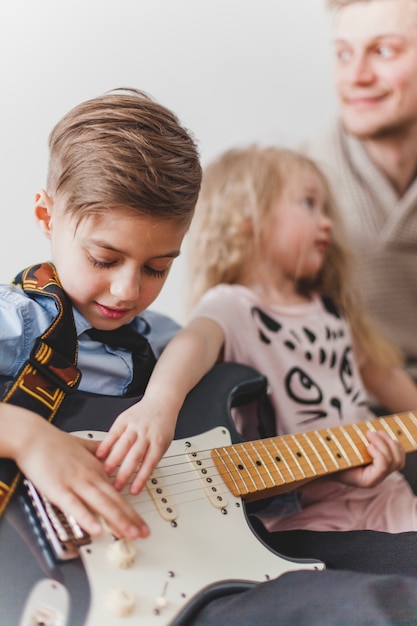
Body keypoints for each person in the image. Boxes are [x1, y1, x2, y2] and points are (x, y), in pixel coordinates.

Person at [112, 145, 417, 540]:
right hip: (305, 514)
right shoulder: (231, 306)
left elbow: (385, 376)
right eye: (309, 204)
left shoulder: (329, 310)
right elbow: (193, 344)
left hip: (387, 494)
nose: (326, 223)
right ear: (246, 218)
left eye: (325, 209)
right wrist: (157, 406)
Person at [0, 87, 202, 539]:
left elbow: (206, 334)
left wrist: (160, 404)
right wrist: (28, 438)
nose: (127, 290)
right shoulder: (19, 318)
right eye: (104, 259)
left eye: (157, 268)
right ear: (47, 216)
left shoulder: (146, 338)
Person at [302, 0, 417, 382]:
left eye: (383, 51)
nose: (356, 76)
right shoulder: (294, 187)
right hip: (347, 423)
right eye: (344, 54)